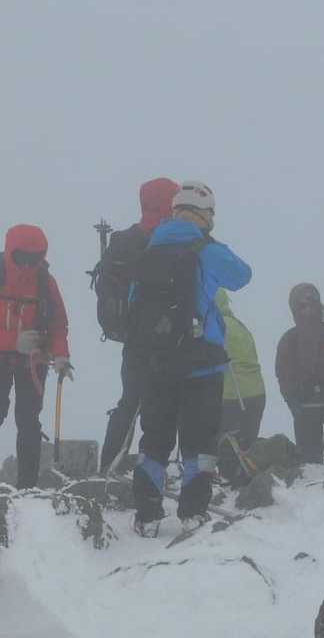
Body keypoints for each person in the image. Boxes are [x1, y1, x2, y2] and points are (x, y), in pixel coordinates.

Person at [131, 181, 253, 534]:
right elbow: (242, 275)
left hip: (157, 361)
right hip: (201, 361)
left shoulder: (150, 250)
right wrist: (211, 244)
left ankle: (147, 514)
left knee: (154, 437)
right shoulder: (206, 250)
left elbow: (134, 305)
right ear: (204, 214)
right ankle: (193, 513)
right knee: (199, 441)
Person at [0, 224, 73, 488]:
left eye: (34, 258)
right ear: (10, 251)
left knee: (28, 419)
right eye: (22, 257)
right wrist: (14, 341)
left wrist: (61, 355)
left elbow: (58, 324)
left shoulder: (45, 282)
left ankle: (27, 486)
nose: (27, 265)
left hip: (33, 360)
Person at [95, 178, 180, 474]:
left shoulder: (125, 240)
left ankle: (109, 466)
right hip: (167, 337)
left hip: (132, 337)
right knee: (165, 404)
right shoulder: (170, 238)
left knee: (130, 402)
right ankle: (153, 469)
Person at [275, 283, 324, 465]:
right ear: (294, 310)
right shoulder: (289, 339)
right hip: (305, 407)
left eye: (312, 304)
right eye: (302, 306)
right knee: (310, 464)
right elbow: (283, 376)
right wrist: (294, 403)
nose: (308, 310)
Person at [217, 288, 265, 477]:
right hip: (256, 393)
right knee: (246, 448)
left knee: (225, 446)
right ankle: (247, 482)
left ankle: (231, 480)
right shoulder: (239, 325)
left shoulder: (215, 325)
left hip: (231, 394)